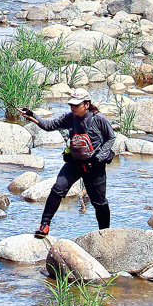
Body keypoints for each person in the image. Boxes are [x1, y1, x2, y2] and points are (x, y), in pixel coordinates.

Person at [20, 88, 115, 239]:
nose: (73, 107)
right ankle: (44, 224)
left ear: (87, 104)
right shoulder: (69, 117)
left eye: (76, 105)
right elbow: (49, 125)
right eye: (71, 104)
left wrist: (100, 157)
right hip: (74, 163)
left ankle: (105, 233)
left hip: (94, 166)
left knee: (99, 202)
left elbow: (111, 138)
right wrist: (32, 115)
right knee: (58, 188)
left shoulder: (99, 119)